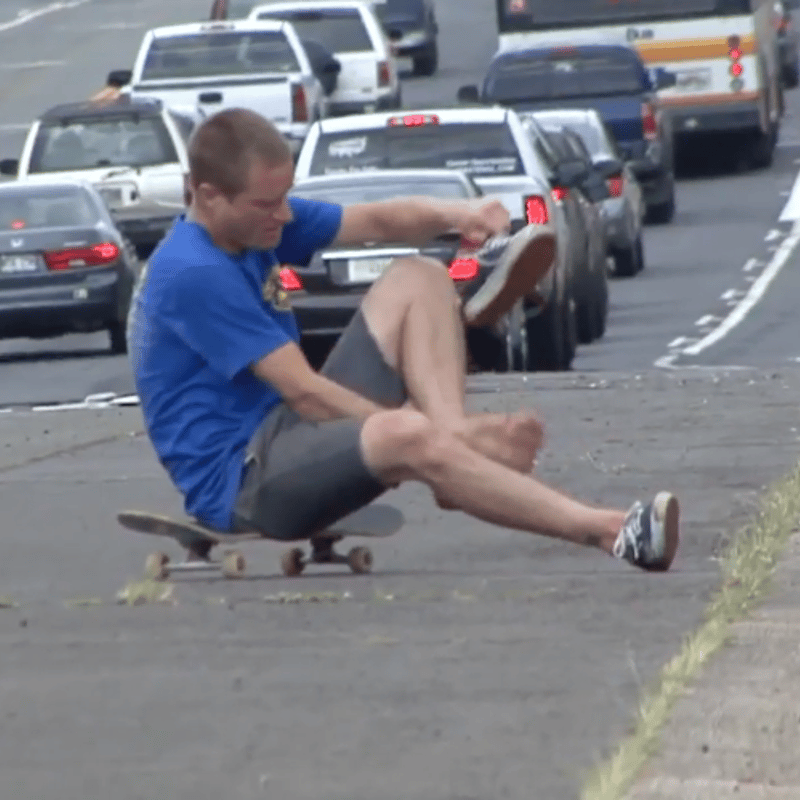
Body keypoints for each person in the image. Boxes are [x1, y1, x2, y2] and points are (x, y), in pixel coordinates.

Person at [128, 107, 680, 572]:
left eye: (287, 196)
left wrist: (461, 214)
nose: (284, 215)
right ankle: (613, 533)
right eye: (266, 204)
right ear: (207, 196)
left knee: (419, 277)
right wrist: (421, 434)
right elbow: (307, 394)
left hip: (289, 433)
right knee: (405, 435)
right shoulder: (192, 271)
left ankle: (449, 441)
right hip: (246, 482)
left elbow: (379, 219)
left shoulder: (255, 222)